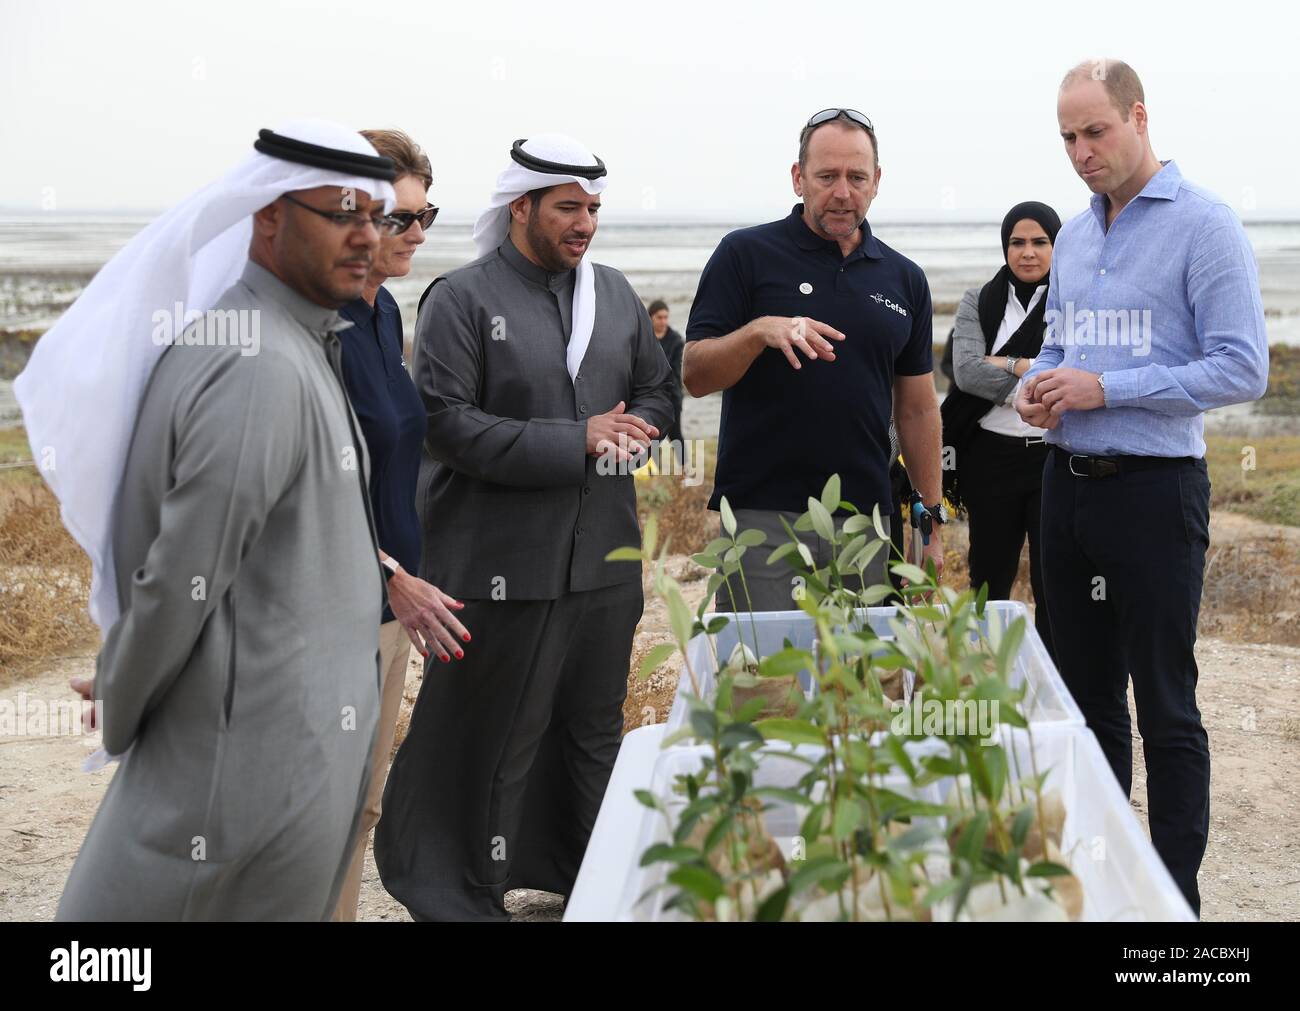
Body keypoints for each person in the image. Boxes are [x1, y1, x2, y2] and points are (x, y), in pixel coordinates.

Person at [16, 121, 400, 920]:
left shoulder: (294, 342)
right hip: (236, 771)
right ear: (268, 214)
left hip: (273, 766)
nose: (366, 237)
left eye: (378, 216)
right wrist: (122, 697)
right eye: (341, 213)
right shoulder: (253, 361)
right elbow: (182, 579)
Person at [374, 135, 676, 921]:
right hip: (498, 563)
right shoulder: (461, 298)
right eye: (569, 207)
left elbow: (658, 391)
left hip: (605, 562)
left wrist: (637, 425)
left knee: (592, 731)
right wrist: (578, 437)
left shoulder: (612, 294)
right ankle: (464, 893)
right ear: (522, 207)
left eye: (594, 208)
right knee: (494, 734)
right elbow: (446, 424)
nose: (585, 223)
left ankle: (592, 877)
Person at [1017, 60, 1269, 915]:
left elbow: (1244, 367)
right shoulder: (1078, 235)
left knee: (1165, 700)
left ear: (1139, 117)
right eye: (1067, 138)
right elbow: (1060, 343)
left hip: (1156, 495)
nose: (1081, 152)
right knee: (1083, 700)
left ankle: (1173, 905)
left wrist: (1107, 388)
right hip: (1066, 489)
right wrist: (1041, 384)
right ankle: (1100, 883)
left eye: (1096, 131)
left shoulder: (1206, 226)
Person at [682, 108, 943, 609]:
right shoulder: (745, 254)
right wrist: (760, 332)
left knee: (863, 684)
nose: (842, 191)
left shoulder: (905, 279)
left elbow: (916, 408)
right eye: (826, 176)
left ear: (877, 181)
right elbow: (694, 373)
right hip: (761, 518)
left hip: (866, 519)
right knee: (764, 682)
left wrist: (928, 520)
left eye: (856, 177)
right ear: (799, 178)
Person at [331, 128, 471, 922]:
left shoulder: (385, 314)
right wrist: (392, 574)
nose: (417, 233)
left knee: (361, 807)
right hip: (338, 606)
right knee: (319, 812)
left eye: (426, 216)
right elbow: (313, 482)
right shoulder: (323, 324)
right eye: (400, 218)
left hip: (391, 609)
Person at [944, 201, 1061, 657]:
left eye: (1039, 242)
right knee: (989, 573)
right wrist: (1033, 378)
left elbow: (1074, 367)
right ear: (1005, 246)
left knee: (1054, 577)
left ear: (1056, 246)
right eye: (1017, 242)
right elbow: (966, 372)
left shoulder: (1074, 300)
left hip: (1055, 456)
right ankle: (984, 669)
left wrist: (1009, 364)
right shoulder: (980, 300)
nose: (1027, 252)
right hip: (989, 457)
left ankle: (1055, 676)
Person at [647, 298, 685, 464]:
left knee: (675, 435)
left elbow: (675, 373)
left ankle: (685, 471)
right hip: (648, 397)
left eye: (665, 317)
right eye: (659, 317)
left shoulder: (676, 341)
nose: (663, 321)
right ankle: (652, 470)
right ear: (650, 318)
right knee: (652, 436)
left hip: (671, 397)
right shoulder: (644, 338)